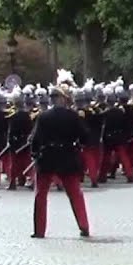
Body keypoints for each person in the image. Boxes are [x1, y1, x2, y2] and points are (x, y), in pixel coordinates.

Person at [30, 80, 91, 238]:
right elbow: (84, 137)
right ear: (63, 99)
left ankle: (39, 231)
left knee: (40, 195)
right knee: (75, 194)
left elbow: (35, 140)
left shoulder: (43, 116)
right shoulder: (73, 116)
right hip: (68, 156)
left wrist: (35, 153)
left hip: (47, 157)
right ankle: (84, 225)